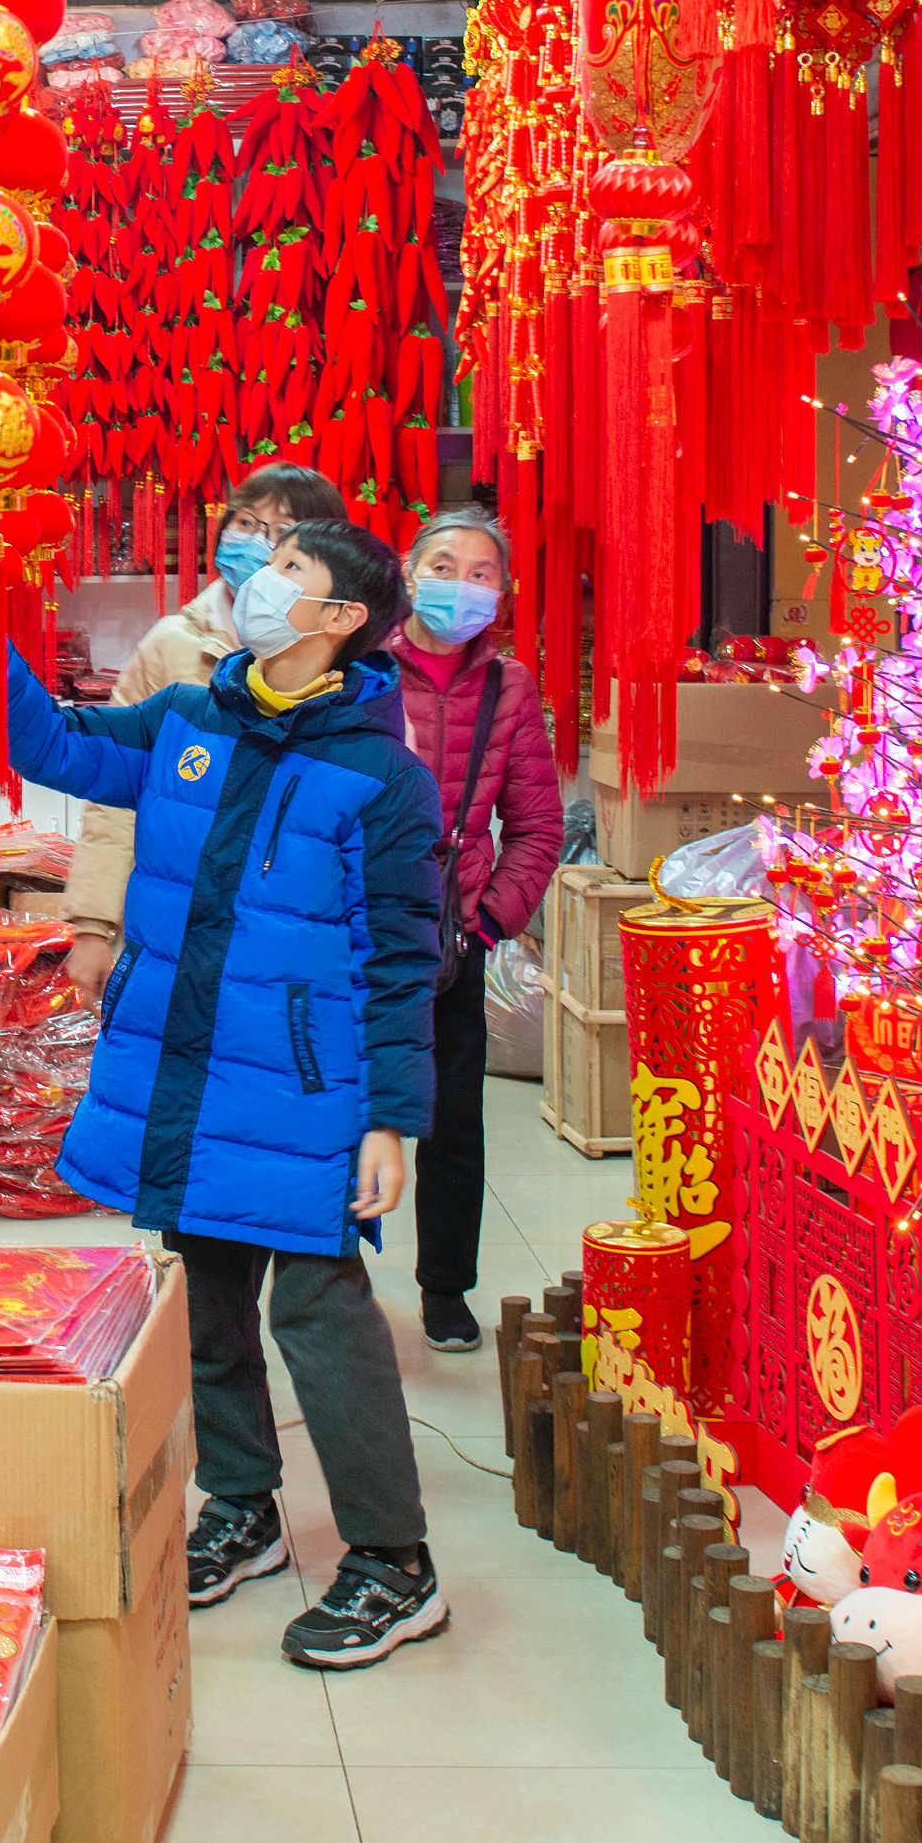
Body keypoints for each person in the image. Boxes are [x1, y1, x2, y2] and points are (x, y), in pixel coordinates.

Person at [0, 516, 449, 1672]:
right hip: (187, 1070)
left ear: (339, 618)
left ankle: (395, 1562)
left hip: (306, 1092)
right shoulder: (189, 719)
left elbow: (403, 961)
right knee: (205, 1299)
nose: (257, 577)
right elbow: (55, 747)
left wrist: (391, 1119)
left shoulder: (382, 780)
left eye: (290, 568)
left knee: (318, 1313)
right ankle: (242, 1503)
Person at [62, 464, 348, 1003]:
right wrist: (93, 926)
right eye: (245, 522)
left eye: (281, 530)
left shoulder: (349, 664)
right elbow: (116, 795)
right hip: (172, 921)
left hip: (293, 936)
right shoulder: (172, 646)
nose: (257, 542)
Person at [388, 506, 563, 1353]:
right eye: (444, 566)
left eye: (481, 572)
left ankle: (445, 1286)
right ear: (408, 572)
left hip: (452, 940)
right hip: (354, 935)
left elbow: (537, 826)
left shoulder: (509, 686)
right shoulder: (360, 667)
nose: (461, 585)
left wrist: (490, 923)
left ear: (502, 591)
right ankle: (326, 1283)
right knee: (335, 1113)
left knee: (453, 1124)